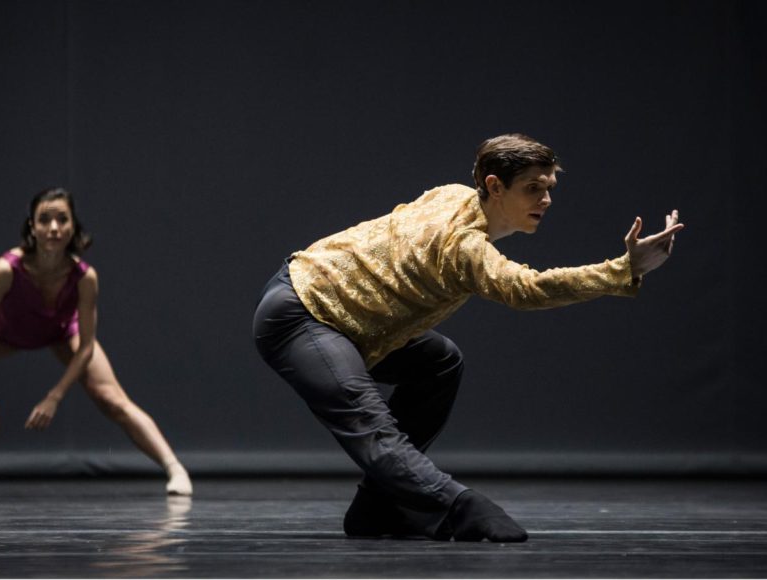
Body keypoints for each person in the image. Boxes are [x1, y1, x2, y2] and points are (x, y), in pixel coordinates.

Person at [252, 134, 683, 542]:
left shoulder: (453, 193)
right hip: (304, 314)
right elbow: (526, 288)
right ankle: (458, 507)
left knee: (440, 361)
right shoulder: (464, 246)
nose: (546, 199)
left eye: (549, 186)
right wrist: (623, 268)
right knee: (373, 429)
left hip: (357, 323)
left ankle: (377, 507)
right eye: (533, 188)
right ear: (494, 186)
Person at [0, 188, 192, 499]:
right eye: (44, 220)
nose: (53, 228)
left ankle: (174, 467)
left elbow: (85, 347)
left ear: (72, 226)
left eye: (62, 219)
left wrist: (54, 396)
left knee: (112, 398)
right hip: (2, 335)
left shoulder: (85, 277)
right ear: (32, 226)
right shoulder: (6, 270)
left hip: (60, 335)